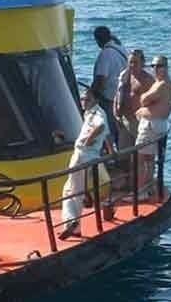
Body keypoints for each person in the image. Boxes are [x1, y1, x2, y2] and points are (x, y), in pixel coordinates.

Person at [59, 89, 111, 240]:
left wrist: (87, 141)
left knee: (71, 190)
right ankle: (74, 225)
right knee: (75, 189)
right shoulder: (91, 113)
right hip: (87, 155)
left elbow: (100, 126)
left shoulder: (97, 114)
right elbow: (106, 132)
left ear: (95, 100)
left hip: (83, 154)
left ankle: (72, 223)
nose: (84, 102)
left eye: (87, 99)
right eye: (82, 99)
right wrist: (110, 149)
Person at [134, 55, 171, 200]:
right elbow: (150, 102)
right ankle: (147, 188)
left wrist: (144, 104)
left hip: (152, 126)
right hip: (156, 124)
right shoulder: (161, 83)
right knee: (149, 159)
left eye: (159, 66)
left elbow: (144, 99)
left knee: (139, 159)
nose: (156, 69)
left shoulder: (162, 84)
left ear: (166, 67)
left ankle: (140, 192)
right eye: (153, 66)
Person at [91, 26, 127, 150]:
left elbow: (101, 78)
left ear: (98, 40)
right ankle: (125, 156)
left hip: (109, 99)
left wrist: (92, 94)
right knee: (121, 131)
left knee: (109, 131)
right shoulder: (121, 50)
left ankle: (113, 157)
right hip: (123, 97)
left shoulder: (105, 54)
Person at [113, 49, 154, 149]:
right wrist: (116, 116)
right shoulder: (124, 77)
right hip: (124, 120)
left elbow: (154, 103)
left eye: (135, 62)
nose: (132, 65)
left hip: (139, 123)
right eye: (130, 62)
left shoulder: (147, 80)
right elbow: (117, 95)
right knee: (123, 155)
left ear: (142, 63)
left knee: (141, 154)